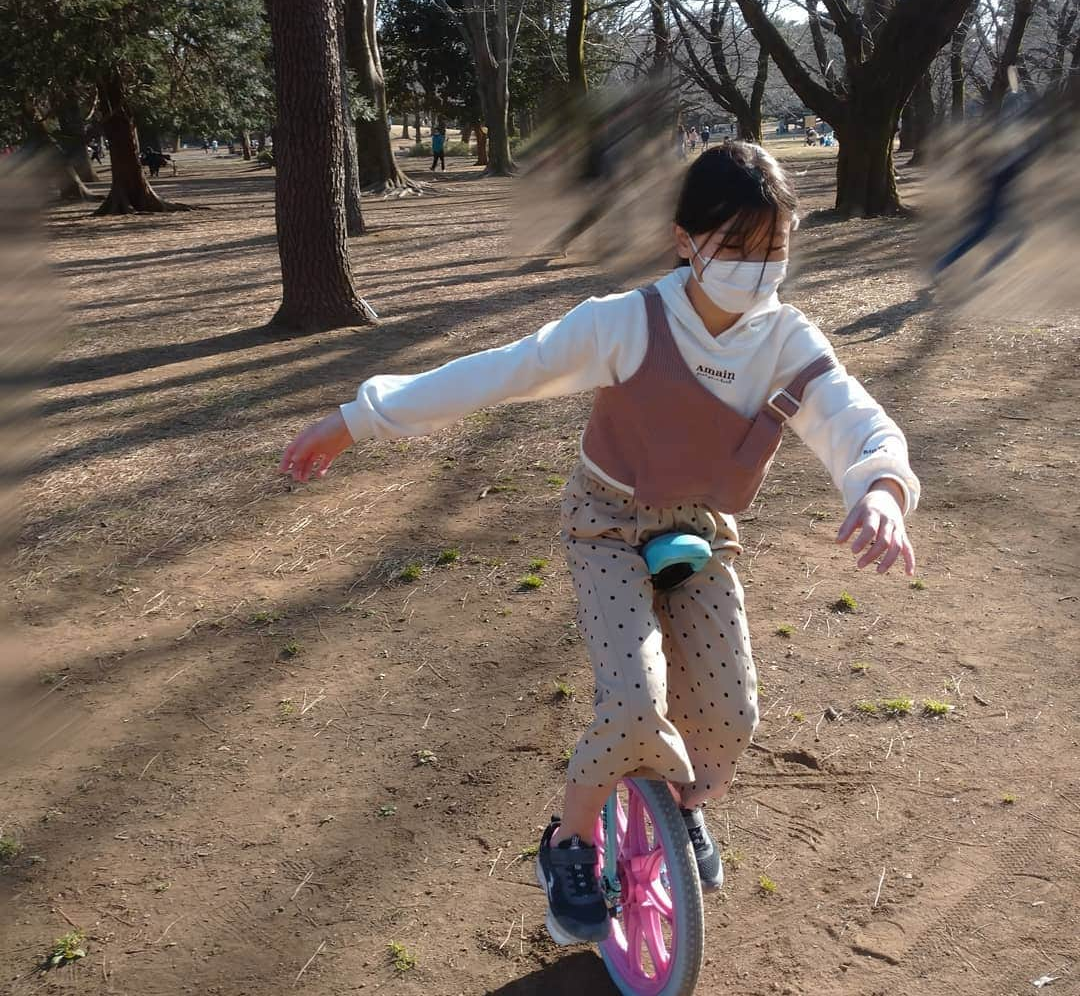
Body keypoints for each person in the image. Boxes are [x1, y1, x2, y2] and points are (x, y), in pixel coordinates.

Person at [279, 141, 920, 946]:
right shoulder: (623, 323)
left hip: (700, 530)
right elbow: (500, 371)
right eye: (737, 246)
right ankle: (570, 842)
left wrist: (883, 489)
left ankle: (680, 810)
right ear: (687, 240)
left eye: (774, 247)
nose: (757, 268)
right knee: (634, 704)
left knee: (730, 713)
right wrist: (356, 421)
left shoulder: (787, 340)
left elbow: (855, 420)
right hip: (607, 525)